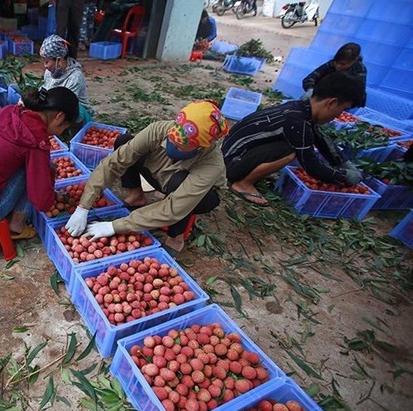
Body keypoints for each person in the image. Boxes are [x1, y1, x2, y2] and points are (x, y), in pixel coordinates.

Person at [65, 100, 229, 254]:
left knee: (180, 186)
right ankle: (137, 196)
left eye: (180, 146)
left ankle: (176, 238)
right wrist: (83, 207)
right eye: (171, 140)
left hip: (196, 195)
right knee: (124, 142)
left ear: (200, 147)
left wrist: (115, 226)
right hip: (159, 173)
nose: (172, 145)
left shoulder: (211, 165)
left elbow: (175, 208)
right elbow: (114, 163)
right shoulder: (159, 130)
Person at [0, 87, 80, 239]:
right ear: (59, 117)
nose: (60, 132)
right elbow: (42, 203)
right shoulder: (35, 140)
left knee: (31, 166)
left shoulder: (11, 111)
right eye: (64, 127)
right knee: (34, 171)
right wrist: (49, 180)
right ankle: (17, 225)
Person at [223, 71, 366, 207]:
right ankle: (243, 184)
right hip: (231, 163)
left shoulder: (300, 108)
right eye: (342, 109)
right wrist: (344, 177)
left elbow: (321, 138)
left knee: (296, 144)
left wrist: (344, 163)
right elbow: (312, 167)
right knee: (291, 151)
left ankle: (247, 173)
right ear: (332, 103)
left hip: (230, 154)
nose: (338, 115)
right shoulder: (297, 122)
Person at [40, 34, 94, 123]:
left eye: (46, 62)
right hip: (54, 107)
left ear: (59, 60)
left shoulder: (75, 77)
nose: (45, 66)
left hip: (75, 112)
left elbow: (66, 104)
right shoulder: (49, 72)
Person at [302, 43, 366, 101]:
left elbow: (359, 93)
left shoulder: (360, 70)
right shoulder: (331, 64)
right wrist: (310, 90)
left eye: (343, 64)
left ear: (354, 60)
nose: (338, 66)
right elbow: (310, 78)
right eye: (336, 62)